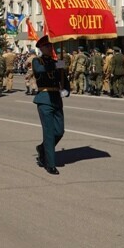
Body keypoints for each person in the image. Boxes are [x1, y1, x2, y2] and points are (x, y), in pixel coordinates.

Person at [31, 36, 69, 175]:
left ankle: (42, 148)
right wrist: (57, 64)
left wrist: (67, 89)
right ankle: (50, 163)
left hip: (56, 99)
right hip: (44, 99)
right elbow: (40, 70)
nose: (50, 48)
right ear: (41, 48)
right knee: (48, 133)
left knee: (59, 131)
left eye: (50, 46)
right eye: (47, 46)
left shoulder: (55, 62)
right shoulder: (37, 61)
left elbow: (64, 77)